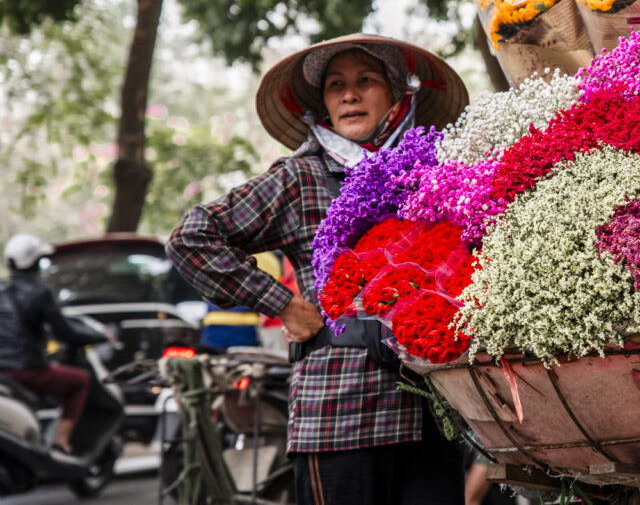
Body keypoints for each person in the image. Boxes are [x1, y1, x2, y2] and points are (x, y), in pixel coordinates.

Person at [167, 34, 469, 505]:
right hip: (339, 414)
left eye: (366, 81)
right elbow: (192, 238)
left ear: (397, 94)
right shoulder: (299, 177)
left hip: (434, 410)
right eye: (335, 85)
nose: (349, 94)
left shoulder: (434, 172)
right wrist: (282, 304)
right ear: (325, 104)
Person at [0, 233, 110, 459]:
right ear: (35, 262)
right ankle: (61, 441)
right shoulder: (40, 293)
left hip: (4, 371)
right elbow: (65, 332)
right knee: (80, 380)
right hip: (28, 370)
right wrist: (99, 337)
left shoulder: (3, 291)